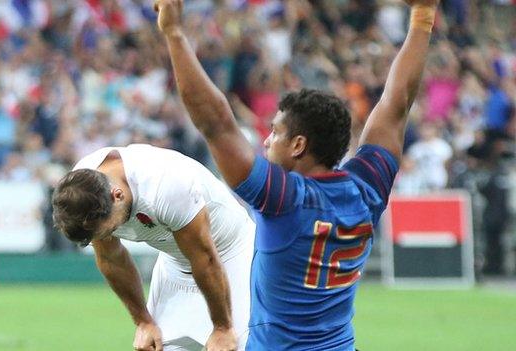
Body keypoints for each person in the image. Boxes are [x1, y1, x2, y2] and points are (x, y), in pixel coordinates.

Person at [154, 0, 439, 349]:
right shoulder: (367, 189)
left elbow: (215, 123)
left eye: (275, 132)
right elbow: (397, 102)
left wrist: (174, 34)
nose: (266, 140)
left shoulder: (285, 199)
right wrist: (423, 16)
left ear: (298, 145)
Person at [51, 144, 254, 351]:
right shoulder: (82, 190)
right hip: (176, 261)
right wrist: (143, 321)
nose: (104, 239)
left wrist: (222, 327)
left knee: (241, 345)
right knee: (155, 346)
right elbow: (111, 258)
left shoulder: (166, 185)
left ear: (117, 195)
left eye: (107, 232)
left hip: (231, 252)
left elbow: (205, 259)